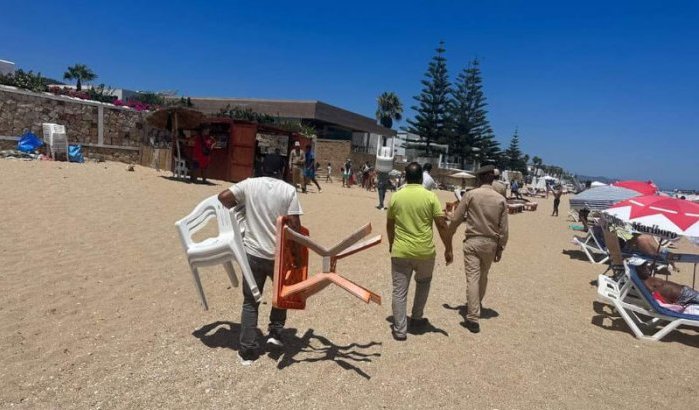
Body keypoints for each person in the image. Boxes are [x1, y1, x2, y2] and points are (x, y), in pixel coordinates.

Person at [217, 177, 304, 365]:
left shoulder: (250, 184)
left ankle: (247, 351)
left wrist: (240, 206)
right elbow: (296, 226)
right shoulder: (288, 190)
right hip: (278, 255)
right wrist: (297, 257)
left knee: (250, 301)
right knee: (281, 295)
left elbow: (223, 197)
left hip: (253, 254)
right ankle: (276, 333)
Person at [387, 162, 452, 341]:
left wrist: (391, 244)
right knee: (423, 284)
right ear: (421, 177)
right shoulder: (430, 197)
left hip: (401, 250)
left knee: (399, 291)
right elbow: (441, 224)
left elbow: (390, 225)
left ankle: (400, 330)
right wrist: (449, 248)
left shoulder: (396, 197)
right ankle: (416, 318)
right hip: (425, 252)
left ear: (406, 177)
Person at [447, 165, 509, 334]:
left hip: (473, 240)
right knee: (483, 276)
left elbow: (457, 218)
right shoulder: (500, 199)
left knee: (473, 278)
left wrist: (449, 233)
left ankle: (473, 317)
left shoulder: (471, 195)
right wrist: (500, 248)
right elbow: (504, 229)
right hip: (491, 243)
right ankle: (477, 304)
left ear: (479, 178)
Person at [633, 258, 699, 305]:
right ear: (638, 271)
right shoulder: (646, 284)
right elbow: (659, 297)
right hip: (683, 296)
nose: (647, 269)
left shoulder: (648, 279)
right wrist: (671, 305)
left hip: (684, 292)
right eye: (643, 267)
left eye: (645, 266)